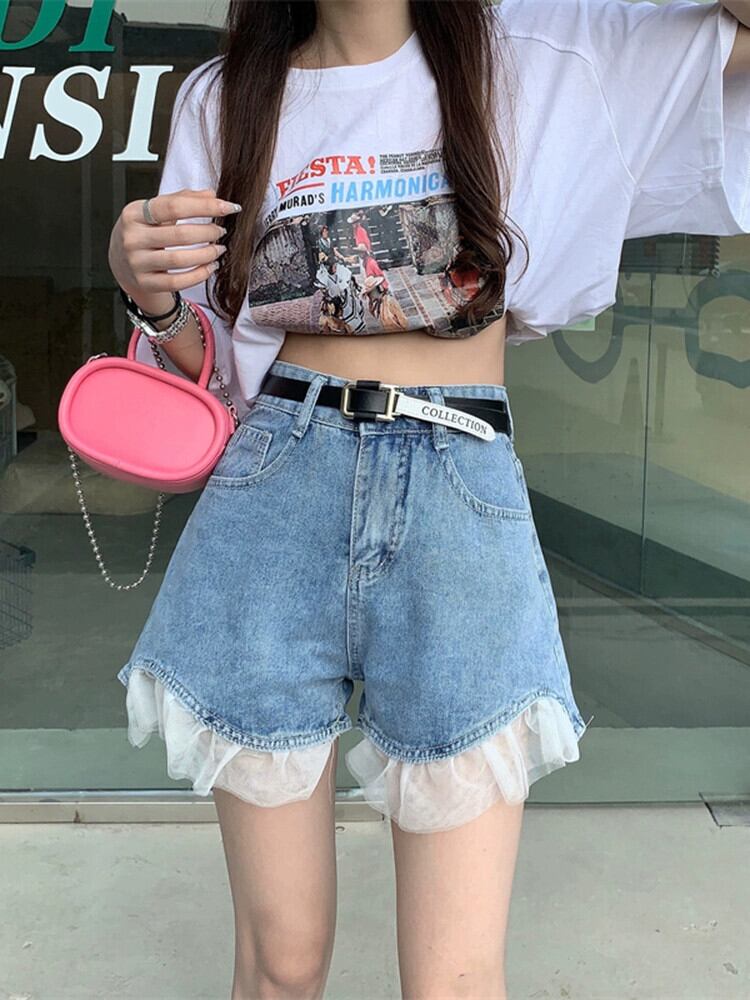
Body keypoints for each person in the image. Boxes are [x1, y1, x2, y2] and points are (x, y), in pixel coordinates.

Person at [107, 0, 749, 996]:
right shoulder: (224, 96)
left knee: (454, 979)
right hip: (275, 489)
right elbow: (215, 366)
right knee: (280, 963)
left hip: (458, 489)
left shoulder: (550, 52)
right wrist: (148, 296)